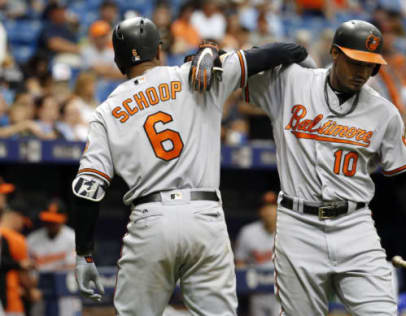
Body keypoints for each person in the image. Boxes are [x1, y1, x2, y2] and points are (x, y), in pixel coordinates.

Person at [70, 16, 308, 315]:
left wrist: (84, 255)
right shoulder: (196, 75)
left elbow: (87, 192)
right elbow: (288, 50)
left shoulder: (105, 112)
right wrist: (215, 56)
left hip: (149, 220)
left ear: (118, 63)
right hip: (204, 216)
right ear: (159, 50)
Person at [217, 20, 406, 315]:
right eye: (355, 62)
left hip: (355, 225)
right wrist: (218, 55)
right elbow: (230, 74)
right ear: (335, 53)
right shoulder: (292, 82)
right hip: (297, 225)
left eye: (370, 65)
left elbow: (404, 179)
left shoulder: (384, 113)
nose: (362, 72)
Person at [27, 199, 78, 316]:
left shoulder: (73, 238)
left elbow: (72, 268)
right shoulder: (32, 239)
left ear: (64, 219)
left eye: (54, 221)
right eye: (48, 220)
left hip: (65, 294)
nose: (51, 224)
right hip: (40, 292)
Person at [235, 191, 281, 316]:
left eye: (272, 207)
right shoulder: (248, 232)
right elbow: (239, 263)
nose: (269, 212)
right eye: (265, 207)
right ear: (260, 211)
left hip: (281, 293)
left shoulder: (289, 232)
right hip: (257, 292)